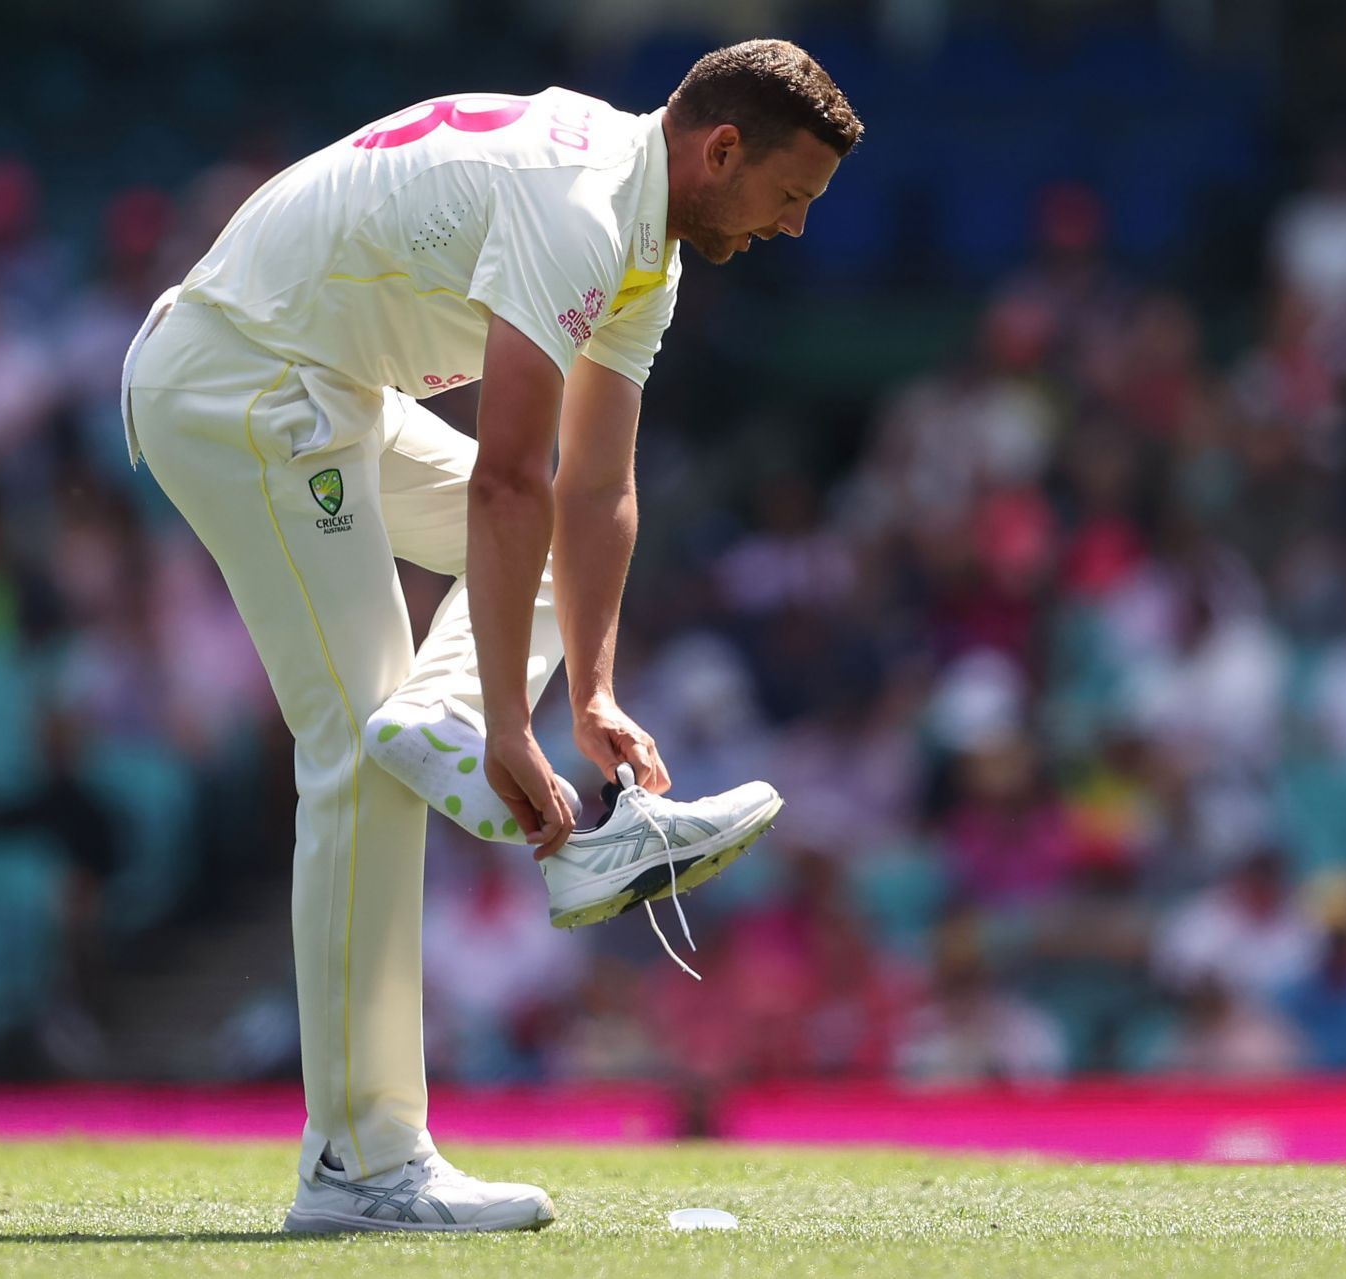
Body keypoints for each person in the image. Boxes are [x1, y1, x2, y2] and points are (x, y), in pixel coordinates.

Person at [122, 39, 859, 1233]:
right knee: (362, 755)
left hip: (318, 383)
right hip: (241, 379)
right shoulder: (579, 206)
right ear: (720, 150)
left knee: (443, 692)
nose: (794, 228)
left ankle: (469, 740)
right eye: (791, 195)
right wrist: (509, 725)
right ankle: (361, 1167)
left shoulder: (644, 246)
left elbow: (592, 493)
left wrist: (595, 696)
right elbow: (510, 479)